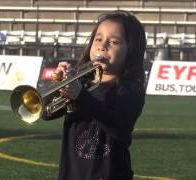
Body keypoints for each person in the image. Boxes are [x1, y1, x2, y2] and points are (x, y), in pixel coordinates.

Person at [42, 10, 146, 180]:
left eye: (113, 42)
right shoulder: (82, 83)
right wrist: (56, 85)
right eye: (98, 39)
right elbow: (45, 113)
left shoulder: (130, 90)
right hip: (72, 174)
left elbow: (120, 127)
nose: (102, 46)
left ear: (131, 50)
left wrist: (81, 96)